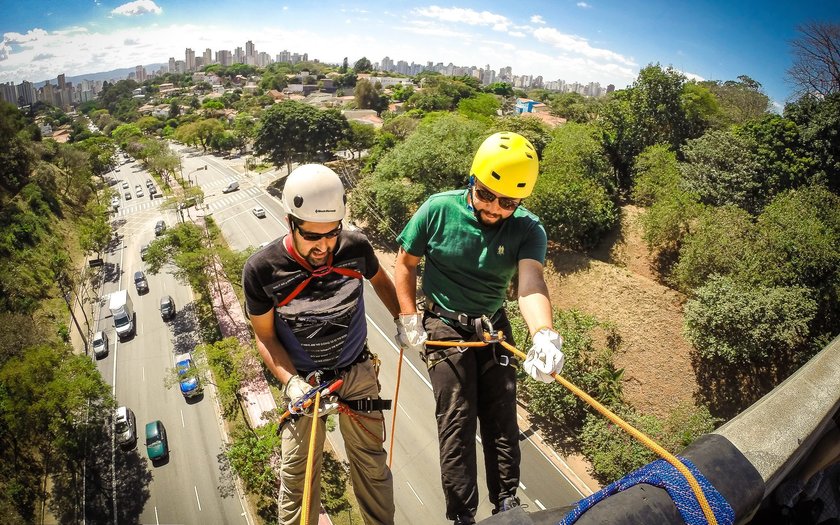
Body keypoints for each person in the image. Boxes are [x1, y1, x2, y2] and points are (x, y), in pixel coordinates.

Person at [394, 131, 566, 524]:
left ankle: (507, 503)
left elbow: (530, 284)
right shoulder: (438, 210)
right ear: (472, 180)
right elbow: (405, 263)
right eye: (486, 194)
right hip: (444, 322)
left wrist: (543, 334)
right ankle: (462, 516)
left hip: (491, 325)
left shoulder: (527, 229)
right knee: (456, 418)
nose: (494, 209)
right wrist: (408, 317)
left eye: (508, 202)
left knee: (501, 417)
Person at [242, 164, 400, 525]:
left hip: (357, 372)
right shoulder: (262, 271)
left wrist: (401, 318)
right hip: (305, 383)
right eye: (312, 236)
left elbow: (380, 279)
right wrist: (290, 382)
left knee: (372, 466)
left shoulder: (354, 248)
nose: (324, 247)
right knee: (297, 480)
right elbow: (264, 336)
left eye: (332, 234)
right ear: (290, 222)